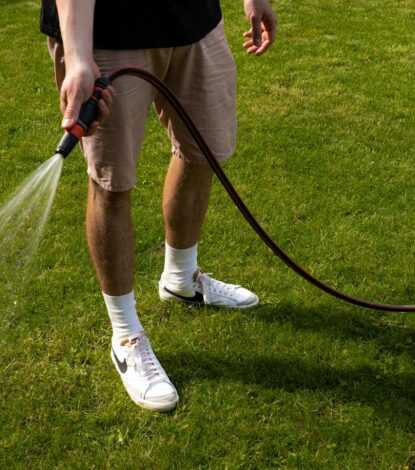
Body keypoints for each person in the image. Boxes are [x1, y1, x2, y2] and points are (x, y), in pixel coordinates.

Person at [39, 0, 277, 411]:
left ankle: (181, 280)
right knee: (112, 183)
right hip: (106, 36)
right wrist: (78, 56)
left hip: (194, 20)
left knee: (206, 150)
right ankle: (126, 333)